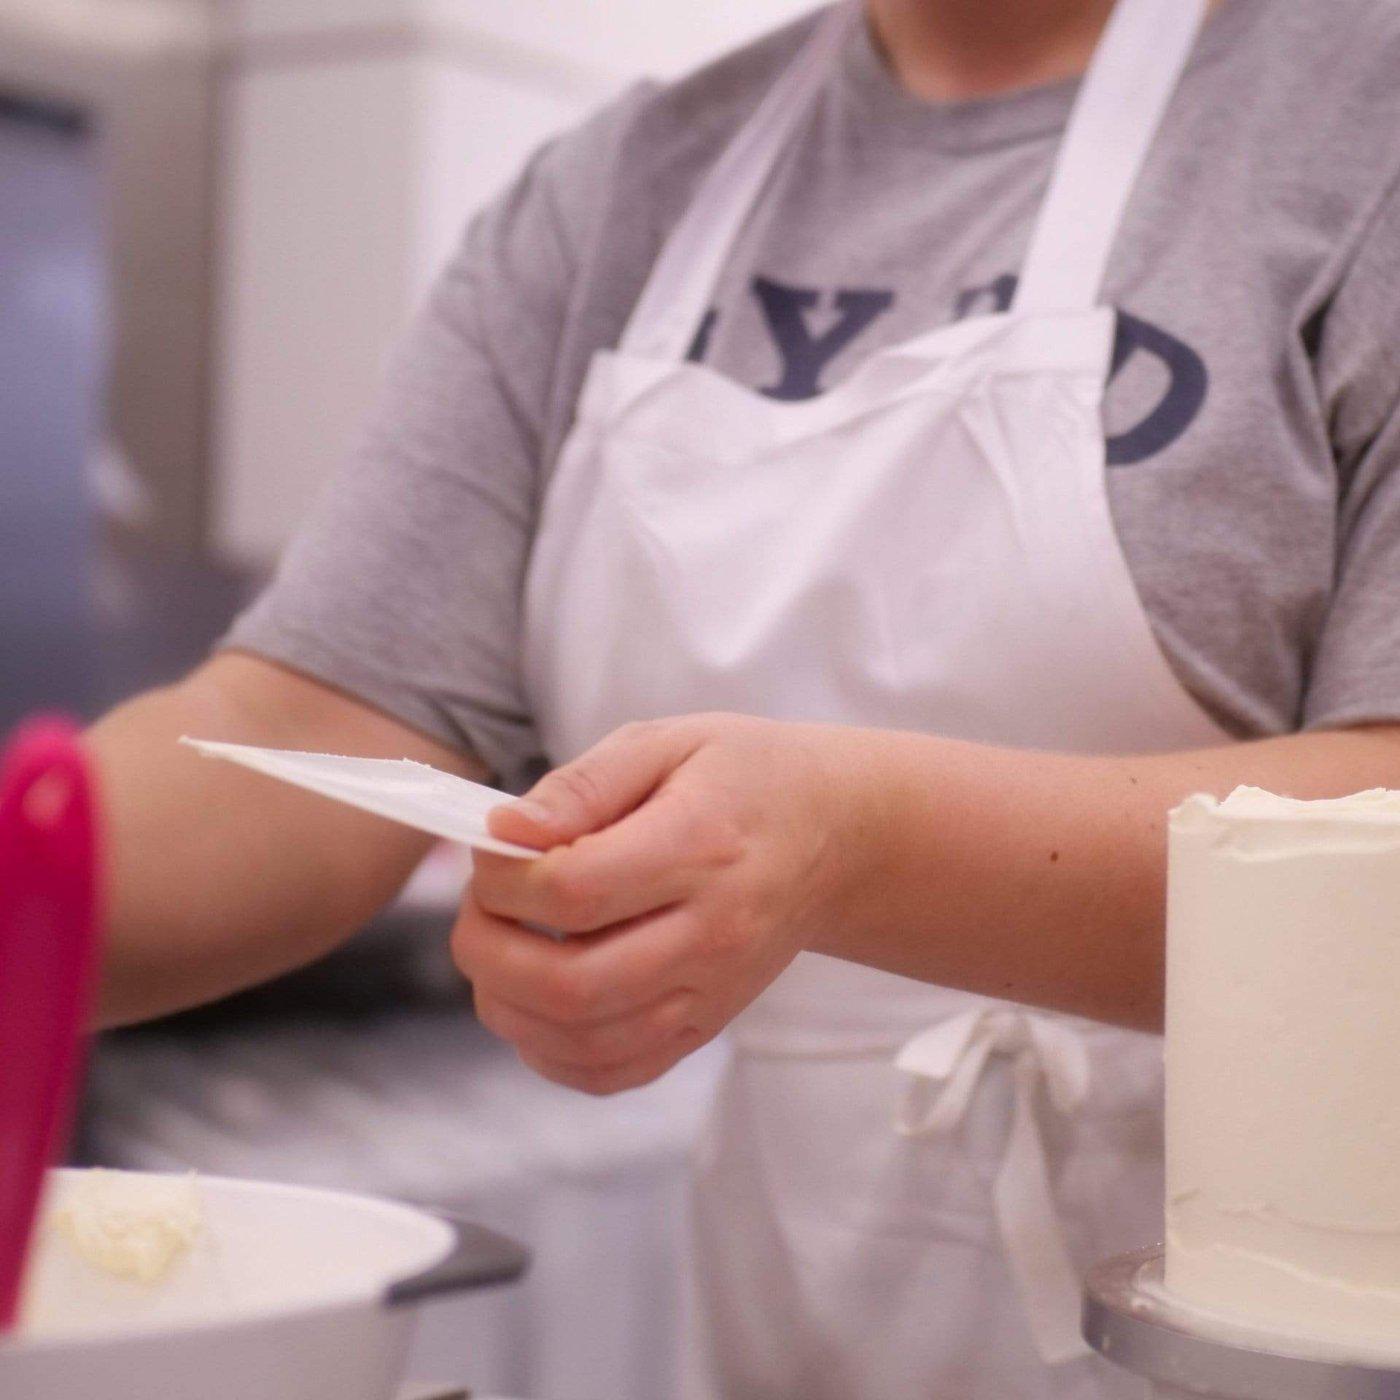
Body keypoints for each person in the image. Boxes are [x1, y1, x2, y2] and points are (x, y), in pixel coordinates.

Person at [90, 0, 1400, 1394]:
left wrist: (856, 845)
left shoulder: (1352, 128)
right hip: (800, 1318)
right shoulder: (618, 196)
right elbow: (311, 725)